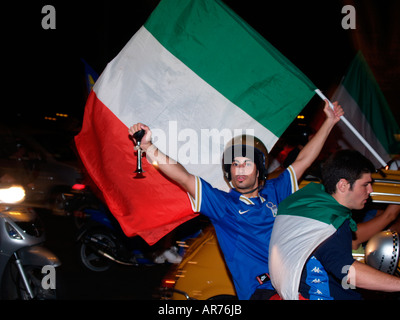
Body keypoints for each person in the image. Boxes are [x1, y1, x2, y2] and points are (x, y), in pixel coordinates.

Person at [129, 100, 344, 300]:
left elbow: (304, 160)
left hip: (300, 279)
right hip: (263, 290)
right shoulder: (224, 206)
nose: (239, 168)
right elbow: (184, 178)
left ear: (260, 170)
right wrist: (149, 148)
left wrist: (329, 121)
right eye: (234, 163)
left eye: (246, 163)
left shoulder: (276, 191)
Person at [269, 150, 400, 300]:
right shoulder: (329, 223)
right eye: (365, 184)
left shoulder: (309, 204)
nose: (370, 191)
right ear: (343, 185)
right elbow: (348, 272)